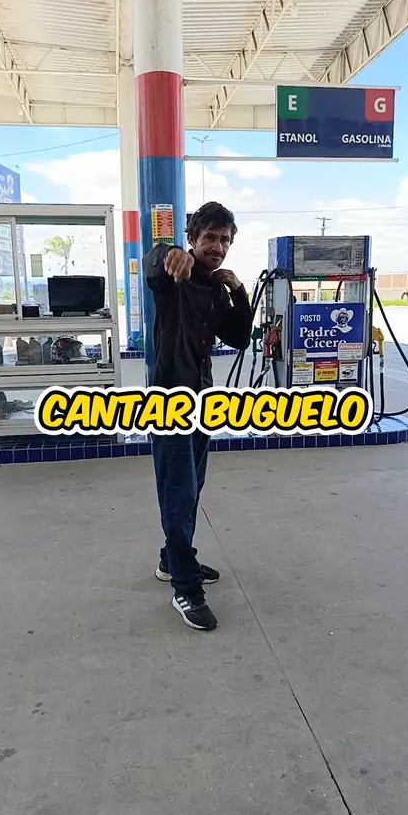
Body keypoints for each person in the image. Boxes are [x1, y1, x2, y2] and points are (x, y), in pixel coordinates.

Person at [143, 201, 252, 631]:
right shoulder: (175, 275)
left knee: (192, 489)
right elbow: (154, 264)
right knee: (178, 493)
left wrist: (239, 291)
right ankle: (185, 589)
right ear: (193, 238)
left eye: (225, 240)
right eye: (209, 238)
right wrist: (170, 254)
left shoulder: (216, 289)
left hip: (202, 402)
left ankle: (171, 559)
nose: (218, 247)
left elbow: (239, 337)